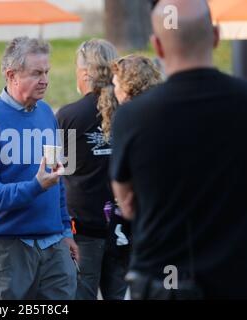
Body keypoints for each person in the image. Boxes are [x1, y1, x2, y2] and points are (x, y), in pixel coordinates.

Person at [110, 0, 247, 299]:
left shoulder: (133, 117)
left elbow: (128, 205)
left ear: (157, 46)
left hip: (164, 283)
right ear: (215, 36)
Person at [0, 37, 78, 300]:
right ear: (11, 75)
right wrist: (35, 186)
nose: (45, 80)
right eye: (36, 73)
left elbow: (57, 178)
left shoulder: (47, 113)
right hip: (5, 249)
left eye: (46, 72)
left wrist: (65, 230)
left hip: (53, 246)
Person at [56, 39, 128, 300]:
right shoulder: (129, 113)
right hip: (123, 225)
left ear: (85, 72)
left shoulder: (69, 116)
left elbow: (59, 170)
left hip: (82, 227)